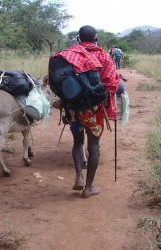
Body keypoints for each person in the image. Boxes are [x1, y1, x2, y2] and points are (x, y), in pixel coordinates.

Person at [53, 26, 120, 198]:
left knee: (77, 142)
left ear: (79, 39)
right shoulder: (103, 55)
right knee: (94, 146)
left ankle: (79, 177)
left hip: (73, 108)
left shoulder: (68, 54)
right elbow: (112, 84)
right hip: (94, 111)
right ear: (96, 38)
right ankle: (88, 188)